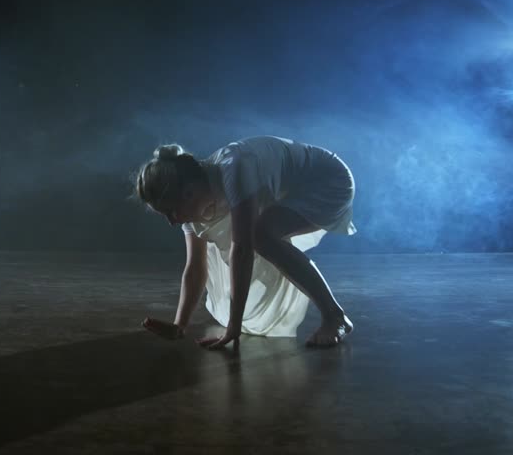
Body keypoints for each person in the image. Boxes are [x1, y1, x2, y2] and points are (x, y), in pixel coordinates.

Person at [135, 136, 357, 349]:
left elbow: (242, 250)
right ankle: (333, 315)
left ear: (190, 193)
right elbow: (195, 266)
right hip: (289, 191)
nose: (172, 222)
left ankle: (335, 317)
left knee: (260, 236)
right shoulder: (193, 194)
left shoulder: (235, 169)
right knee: (235, 236)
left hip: (328, 181)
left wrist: (234, 327)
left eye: (171, 212)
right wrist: (179, 325)